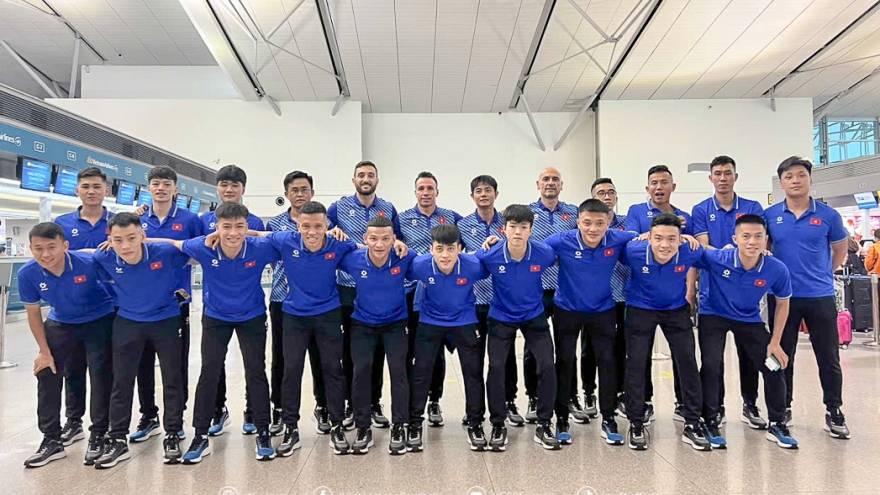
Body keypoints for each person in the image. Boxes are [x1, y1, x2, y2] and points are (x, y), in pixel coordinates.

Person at [150, 202, 279, 464]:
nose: (233, 233)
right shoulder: (203, 247)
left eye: (240, 227)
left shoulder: (260, 247)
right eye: (226, 227)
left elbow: (288, 237)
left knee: (256, 371)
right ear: (217, 227)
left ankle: (263, 431)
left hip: (252, 316)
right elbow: (172, 243)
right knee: (209, 373)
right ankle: (200, 434)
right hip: (216, 317)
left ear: (247, 227)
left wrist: (253, 233)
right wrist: (132, 239)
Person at [89, 213, 190, 468]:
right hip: (128, 322)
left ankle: (173, 433)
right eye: (118, 240)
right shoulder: (104, 256)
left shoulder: (164, 252)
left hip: (166, 320)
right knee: (121, 382)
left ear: (143, 236)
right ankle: (117, 438)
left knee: (172, 378)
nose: (125, 246)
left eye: (132, 238)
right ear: (110, 240)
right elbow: (84, 257)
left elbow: (196, 251)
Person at [262, 201, 360, 456]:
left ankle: (337, 425)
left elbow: (366, 249)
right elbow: (257, 235)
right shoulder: (286, 240)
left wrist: (395, 245)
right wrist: (219, 234)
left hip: (328, 315)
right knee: (291, 372)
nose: (312, 231)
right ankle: (291, 428)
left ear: (327, 225)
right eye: (306, 226)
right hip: (294, 317)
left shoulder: (338, 244)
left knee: (333, 370)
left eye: (318, 226)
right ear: (297, 225)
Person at [764, 156, 850, 439]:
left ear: (810, 179)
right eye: (789, 176)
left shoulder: (828, 215)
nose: (795, 181)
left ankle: (834, 410)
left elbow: (840, 250)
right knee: (780, 354)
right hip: (782, 298)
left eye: (801, 175)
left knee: (828, 356)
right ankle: (782, 409)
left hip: (820, 296)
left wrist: (824, 273)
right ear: (781, 183)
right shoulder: (770, 215)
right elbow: (763, 248)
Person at [697, 214, 798, 450]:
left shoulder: (776, 268)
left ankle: (777, 422)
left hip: (748, 318)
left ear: (766, 239)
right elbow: (688, 251)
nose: (752, 242)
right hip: (713, 315)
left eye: (758, 236)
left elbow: (783, 304)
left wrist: (775, 342)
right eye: (746, 236)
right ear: (735, 239)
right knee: (711, 365)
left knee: (774, 365)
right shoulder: (718, 257)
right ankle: (710, 419)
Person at [544, 199, 640, 446]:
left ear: (608, 223)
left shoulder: (617, 238)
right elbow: (529, 249)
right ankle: (561, 418)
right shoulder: (561, 240)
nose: (593, 229)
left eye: (600, 223)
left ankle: (608, 418)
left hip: (602, 310)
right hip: (567, 309)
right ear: (578, 222)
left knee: (607, 362)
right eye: (587, 223)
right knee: (564, 361)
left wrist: (659, 235)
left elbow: (641, 237)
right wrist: (497, 242)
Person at [19, 223, 115, 468]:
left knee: (100, 374)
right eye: (39, 248)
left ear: (65, 246)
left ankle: (99, 433)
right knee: (46, 371)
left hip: (99, 320)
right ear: (31, 248)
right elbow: (34, 314)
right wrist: (44, 352)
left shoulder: (88, 263)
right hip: (61, 322)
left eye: (52, 247)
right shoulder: (27, 273)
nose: (45, 254)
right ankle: (52, 438)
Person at [620, 213, 709, 452]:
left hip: (675, 310)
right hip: (640, 309)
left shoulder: (690, 250)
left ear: (681, 239)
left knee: (688, 362)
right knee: (636, 364)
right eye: (658, 238)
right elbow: (607, 247)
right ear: (649, 238)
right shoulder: (633, 250)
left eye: (671, 238)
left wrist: (742, 250)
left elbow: (719, 256)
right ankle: (636, 422)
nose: (664, 245)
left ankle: (693, 421)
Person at [477, 205, 560, 452]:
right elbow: (464, 264)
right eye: (513, 227)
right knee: (496, 368)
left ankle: (544, 423)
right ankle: (498, 423)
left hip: (534, 316)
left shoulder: (543, 253)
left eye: (523, 227)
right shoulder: (490, 254)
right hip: (501, 317)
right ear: (503, 229)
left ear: (531, 230)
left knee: (547, 365)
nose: (517, 232)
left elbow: (562, 257)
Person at [690, 155, 765, 429]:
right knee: (712, 362)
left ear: (736, 177)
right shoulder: (701, 210)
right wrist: (735, 255)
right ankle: (714, 409)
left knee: (750, 358)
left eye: (728, 173)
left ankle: (750, 404)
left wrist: (732, 254)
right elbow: (702, 247)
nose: (723, 178)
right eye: (718, 173)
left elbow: (759, 244)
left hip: (746, 300)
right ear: (711, 177)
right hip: (712, 298)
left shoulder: (752, 207)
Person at [130, 166, 203, 443]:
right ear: (148, 187)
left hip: (176, 302)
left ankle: (176, 417)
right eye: (156, 183)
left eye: (166, 184)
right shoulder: (137, 219)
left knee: (176, 364)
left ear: (175, 189)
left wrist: (170, 249)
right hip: (141, 303)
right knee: (142, 363)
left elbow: (198, 253)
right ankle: (148, 415)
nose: (161, 188)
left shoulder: (189, 219)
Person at [327, 161, 401, 430]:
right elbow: (323, 233)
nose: (365, 179)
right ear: (354, 180)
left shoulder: (388, 209)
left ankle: (374, 402)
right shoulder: (338, 207)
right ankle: (353, 403)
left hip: (377, 288)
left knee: (378, 350)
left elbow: (397, 239)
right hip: (347, 287)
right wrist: (330, 231)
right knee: (352, 351)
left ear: (377, 180)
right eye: (361, 175)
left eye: (370, 175)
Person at [338, 216, 417, 455]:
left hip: (396, 323)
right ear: (365, 239)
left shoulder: (404, 256)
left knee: (399, 372)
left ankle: (400, 426)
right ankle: (363, 426)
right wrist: (332, 234)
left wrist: (405, 246)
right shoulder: (353, 259)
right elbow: (326, 253)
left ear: (394, 239)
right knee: (361, 372)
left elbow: (432, 259)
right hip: (363, 323)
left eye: (385, 239)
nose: (379, 244)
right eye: (373, 238)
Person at [408, 224, 489, 451]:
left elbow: (493, 260)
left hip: (464, 321)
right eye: (439, 249)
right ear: (431, 249)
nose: (445, 255)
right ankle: (415, 424)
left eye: (451, 249)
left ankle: (475, 424)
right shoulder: (420, 265)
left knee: (473, 373)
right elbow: (398, 263)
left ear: (460, 249)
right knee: (421, 374)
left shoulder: (473, 265)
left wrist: (494, 243)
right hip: (430, 322)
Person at [199, 165, 266, 436]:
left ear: (243, 189)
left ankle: (253, 410)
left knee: (254, 365)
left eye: (234, 185)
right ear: (217, 188)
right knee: (213, 365)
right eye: (224, 184)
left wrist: (235, 232)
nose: (229, 189)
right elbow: (186, 248)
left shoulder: (255, 222)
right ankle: (218, 410)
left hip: (250, 307)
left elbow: (267, 242)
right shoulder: (203, 220)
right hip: (215, 306)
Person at [625, 164, 694, 423]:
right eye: (654, 183)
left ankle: (685, 405)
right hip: (641, 300)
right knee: (638, 357)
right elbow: (630, 239)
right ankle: (642, 405)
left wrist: (690, 291)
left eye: (664, 182)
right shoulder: (636, 211)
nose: (659, 187)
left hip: (674, 301)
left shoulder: (685, 216)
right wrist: (655, 234)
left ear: (673, 187)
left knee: (685, 356)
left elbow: (691, 254)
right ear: (647, 187)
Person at [52, 167, 114, 448]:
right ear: (77, 190)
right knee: (72, 369)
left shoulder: (117, 223)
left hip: (106, 308)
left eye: (97, 186)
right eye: (86, 186)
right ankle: (73, 421)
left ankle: (101, 426)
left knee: (102, 370)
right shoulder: (62, 223)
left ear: (106, 191)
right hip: (71, 310)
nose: (91, 191)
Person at [266, 171, 329, 437]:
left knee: (320, 357)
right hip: (283, 300)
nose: (300, 194)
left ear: (312, 193)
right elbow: (270, 257)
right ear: (287, 194)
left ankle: (323, 406)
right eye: (295, 190)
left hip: (318, 302)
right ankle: (279, 409)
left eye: (305, 189)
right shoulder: (276, 224)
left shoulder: (324, 220)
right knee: (282, 359)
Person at [457, 175, 523, 427]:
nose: (483, 194)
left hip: (502, 303)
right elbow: (457, 257)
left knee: (504, 358)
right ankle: (473, 408)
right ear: (472, 196)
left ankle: (509, 402)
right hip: (472, 303)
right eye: (478, 191)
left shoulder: (508, 224)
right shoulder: (462, 225)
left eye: (488, 190)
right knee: (473, 359)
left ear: (496, 194)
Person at [398, 171, 462, 428]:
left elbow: (467, 244)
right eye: (421, 188)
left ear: (437, 192)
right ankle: (412, 402)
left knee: (437, 350)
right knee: (412, 349)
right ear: (415, 192)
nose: (425, 193)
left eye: (430, 188)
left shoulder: (452, 218)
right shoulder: (401, 219)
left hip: (441, 292)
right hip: (410, 293)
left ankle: (434, 401)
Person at [524, 167, 579, 425]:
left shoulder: (574, 213)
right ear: (537, 184)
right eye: (545, 179)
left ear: (561, 185)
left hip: (565, 291)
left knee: (567, 348)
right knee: (533, 349)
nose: (550, 183)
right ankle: (534, 397)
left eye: (555, 179)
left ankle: (570, 397)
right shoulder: (527, 214)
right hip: (534, 290)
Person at [590, 178, 631, 415]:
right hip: (596, 297)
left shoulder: (627, 223)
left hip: (624, 294)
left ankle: (621, 393)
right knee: (591, 349)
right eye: (601, 193)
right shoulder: (587, 226)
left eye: (611, 192)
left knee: (622, 347)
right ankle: (589, 392)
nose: (606, 196)